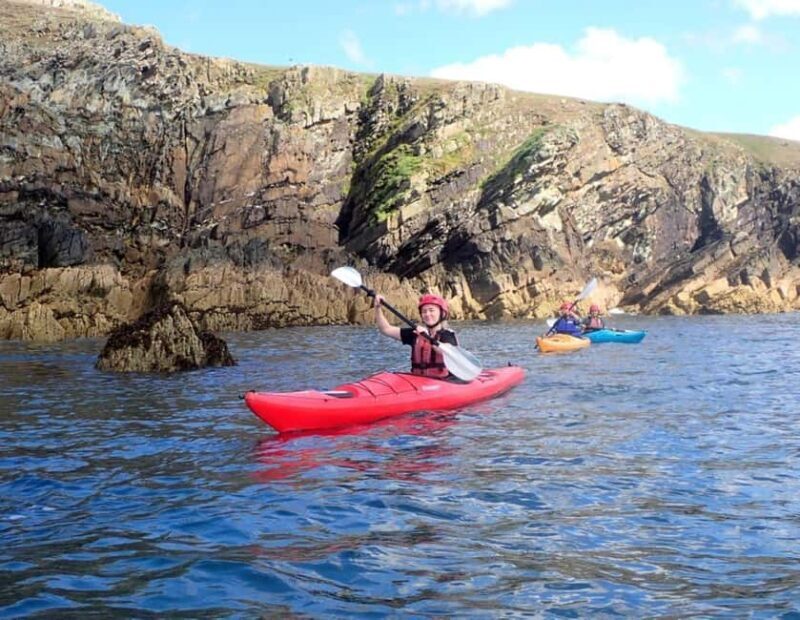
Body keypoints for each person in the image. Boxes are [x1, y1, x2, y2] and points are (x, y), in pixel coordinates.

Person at [374, 293, 458, 378]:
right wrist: (378, 308)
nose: (427, 314)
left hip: (443, 382)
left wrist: (427, 337)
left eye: (431, 310)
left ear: (442, 313)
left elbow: (447, 352)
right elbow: (385, 329)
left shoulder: (448, 335)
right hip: (418, 382)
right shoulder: (416, 334)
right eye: (424, 311)